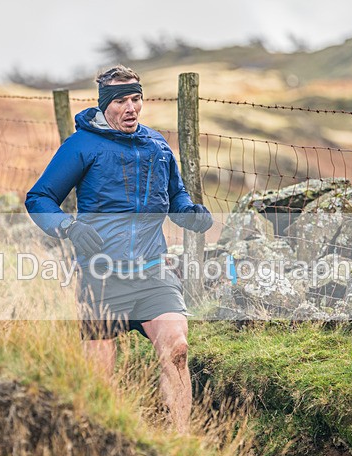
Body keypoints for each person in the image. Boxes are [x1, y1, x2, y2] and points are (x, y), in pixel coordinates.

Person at [25, 65, 212, 432]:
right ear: (105, 105)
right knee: (100, 369)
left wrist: (190, 214)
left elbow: (176, 197)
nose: (131, 108)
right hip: (101, 275)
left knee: (177, 350)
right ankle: (101, 441)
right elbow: (40, 198)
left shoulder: (157, 146)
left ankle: (180, 445)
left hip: (152, 271)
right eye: (122, 101)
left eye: (136, 99)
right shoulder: (82, 146)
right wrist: (68, 227)